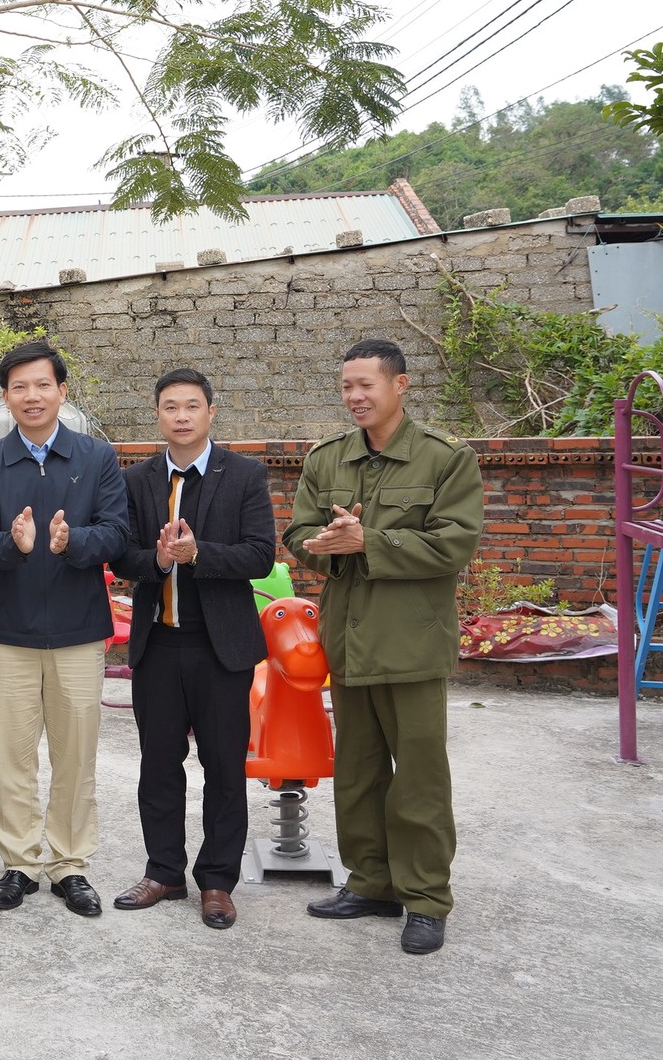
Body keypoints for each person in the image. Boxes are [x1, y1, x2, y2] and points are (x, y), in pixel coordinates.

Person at [283, 339, 483, 956]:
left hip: (412, 643)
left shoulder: (445, 460)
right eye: (347, 386)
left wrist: (370, 540)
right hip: (348, 639)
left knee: (419, 777)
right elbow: (296, 532)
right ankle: (370, 881)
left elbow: (454, 544)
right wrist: (322, 541)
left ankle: (424, 899)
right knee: (359, 771)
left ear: (400, 386)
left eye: (367, 385)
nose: (355, 397)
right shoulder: (328, 458)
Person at [0, 340, 129, 918]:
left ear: (61, 390)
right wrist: (14, 544)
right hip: (9, 634)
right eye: (20, 387)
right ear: (6, 397)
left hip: (80, 634)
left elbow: (117, 533)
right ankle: (19, 864)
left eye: (42, 385)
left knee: (76, 753)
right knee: (12, 755)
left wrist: (72, 541)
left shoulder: (96, 457)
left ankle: (70, 864)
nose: (32, 396)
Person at [109, 369, 276, 931]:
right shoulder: (136, 481)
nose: (181, 415)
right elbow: (122, 557)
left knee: (224, 767)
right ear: (158, 415)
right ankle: (164, 871)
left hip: (220, 647)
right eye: (170, 406)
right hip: (158, 644)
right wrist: (157, 561)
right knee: (158, 764)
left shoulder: (245, 475)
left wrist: (197, 554)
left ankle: (217, 882)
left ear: (210, 412)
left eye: (192, 406)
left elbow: (259, 556)